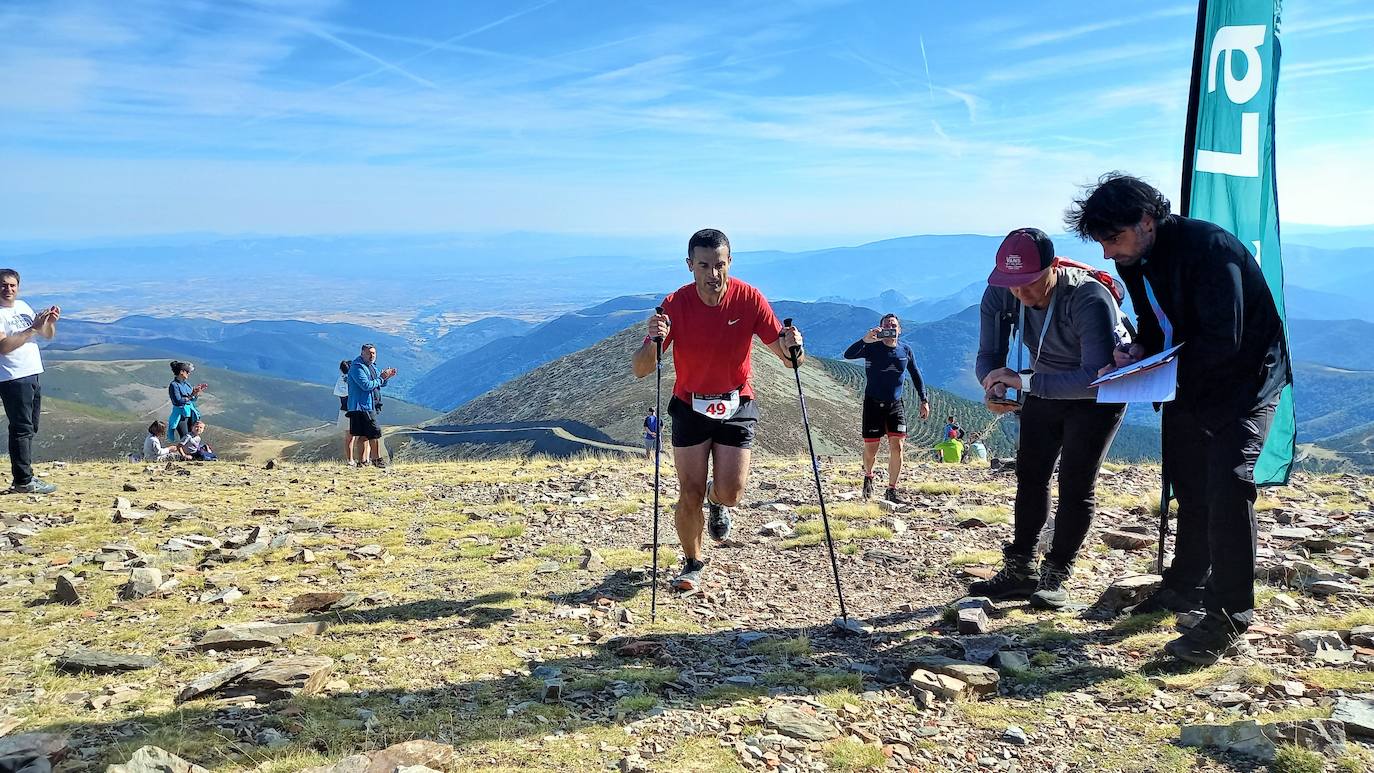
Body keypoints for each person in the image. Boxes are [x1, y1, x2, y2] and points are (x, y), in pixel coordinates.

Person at [1066, 173, 1291, 664]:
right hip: (1187, 382)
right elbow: (1157, 321)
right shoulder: (1135, 258)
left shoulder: (1210, 250)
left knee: (1229, 485)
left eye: (1113, 238)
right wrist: (1138, 352)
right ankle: (1185, 584)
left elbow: (1224, 340)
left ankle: (1229, 616)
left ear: (1146, 221)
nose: (1107, 253)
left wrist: (1161, 370)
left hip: (1247, 381)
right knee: (1188, 484)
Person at [631, 228, 804, 592]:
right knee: (687, 491)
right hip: (690, 405)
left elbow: (789, 361)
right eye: (704, 265)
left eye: (720, 265)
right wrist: (653, 338)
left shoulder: (749, 299)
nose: (713, 274)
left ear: (730, 263)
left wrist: (794, 346)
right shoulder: (675, 305)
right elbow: (642, 368)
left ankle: (717, 500)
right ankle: (693, 563)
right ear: (690, 265)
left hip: (736, 401)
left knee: (732, 492)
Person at [970, 227, 1129, 610]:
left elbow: (1095, 380)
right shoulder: (1000, 293)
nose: (1021, 293)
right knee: (1031, 474)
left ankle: (1057, 573)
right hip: (1042, 387)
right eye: (1012, 284)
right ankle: (1020, 569)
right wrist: (992, 386)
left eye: (1030, 282)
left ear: (1052, 267)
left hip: (1096, 398)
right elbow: (988, 356)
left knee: (1076, 481)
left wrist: (1023, 381)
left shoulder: (1088, 297)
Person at [842, 313, 930, 502]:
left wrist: (924, 399)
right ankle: (868, 475)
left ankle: (892, 489)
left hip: (895, 404)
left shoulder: (905, 350)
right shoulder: (871, 347)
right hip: (873, 403)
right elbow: (848, 355)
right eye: (886, 325)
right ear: (880, 328)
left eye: (894, 325)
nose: (890, 327)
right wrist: (865, 339)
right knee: (871, 448)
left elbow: (916, 374)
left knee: (897, 446)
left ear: (900, 330)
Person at [0, 269, 59, 494]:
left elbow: (47, 335)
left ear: (18, 287)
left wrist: (49, 323)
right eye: (4, 285)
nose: (8, 289)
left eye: (12, 285)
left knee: (30, 427)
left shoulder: (23, 306)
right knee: (21, 428)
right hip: (12, 376)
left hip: (32, 373)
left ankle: (25, 477)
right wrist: (32, 328)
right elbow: (3, 347)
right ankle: (23, 481)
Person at [347, 344, 397, 469]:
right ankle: (377, 459)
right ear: (362, 353)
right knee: (374, 433)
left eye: (373, 353)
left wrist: (386, 377)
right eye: (369, 353)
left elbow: (379, 384)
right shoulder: (357, 368)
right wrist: (382, 378)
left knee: (363, 435)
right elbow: (366, 385)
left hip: (368, 405)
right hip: (362, 406)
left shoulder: (371, 367)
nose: (372, 356)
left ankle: (362, 462)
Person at [167, 361, 205, 441]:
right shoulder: (174, 385)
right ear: (181, 372)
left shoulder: (187, 384)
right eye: (187, 372)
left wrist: (196, 393)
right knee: (185, 437)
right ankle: (184, 452)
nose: (189, 373)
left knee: (192, 435)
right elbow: (177, 401)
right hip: (181, 415)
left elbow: (193, 399)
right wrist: (192, 395)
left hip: (190, 413)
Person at [333, 360, 354, 465]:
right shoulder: (353, 380)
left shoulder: (340, 380)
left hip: (344, 410)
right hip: (355, 410)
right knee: (364, 436)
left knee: (349, 437)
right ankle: (363, 459)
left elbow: (340, 394)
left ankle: (350, 460)